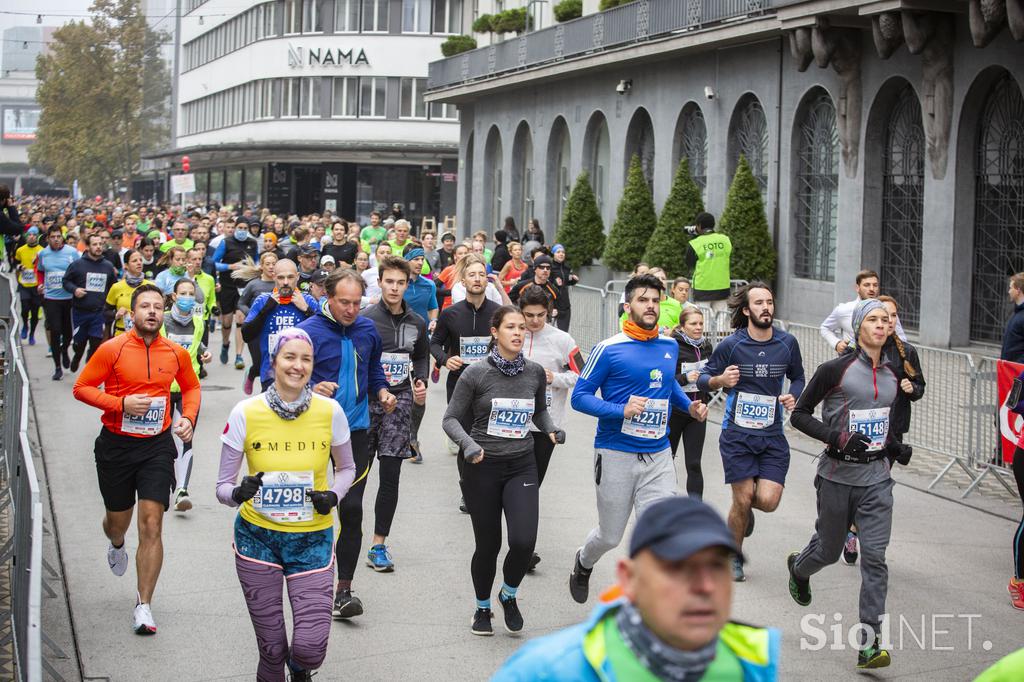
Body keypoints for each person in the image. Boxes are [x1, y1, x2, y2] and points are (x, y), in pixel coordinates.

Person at [494, 496, 779, 681]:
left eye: (717, 567)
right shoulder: (544, 671)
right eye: (679, 568)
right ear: (628, 579)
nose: (705, 587)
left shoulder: (751, 664)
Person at [217, 329, 356, 681]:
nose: (298, 366)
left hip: (312, 538)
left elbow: (347, 468)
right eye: (289, 357)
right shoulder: (246, 412)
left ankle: (300, 670)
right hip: (257, 539)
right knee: (272, 648)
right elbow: (221, 486)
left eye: (305, 359)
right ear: (273, 362)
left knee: (310, 648)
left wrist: (333, 496)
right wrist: (238, 493)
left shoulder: (331, 411)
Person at [568, 274, 708, 604]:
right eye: (643, 300)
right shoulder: (608, 349)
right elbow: (580, 397)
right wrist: (621, 410)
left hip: (658, 453)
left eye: (655, 301)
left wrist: (690, 407)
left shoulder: (669, 345)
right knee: (610, 535)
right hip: (616, 452)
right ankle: (583, 562)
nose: (650, 306)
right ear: (627, 305)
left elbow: (668, 385)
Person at [72, 283, 201, 635]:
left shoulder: (175, 353)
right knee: (119, 521)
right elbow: (81, 387)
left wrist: (187, 417)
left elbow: (190, 387)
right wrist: (120, 404)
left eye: (158, 306)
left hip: (156, 446)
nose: (152, 312)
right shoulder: (111, 349)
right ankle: (116, 544)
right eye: (145, 306)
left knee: (151, 522)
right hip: (115, 445)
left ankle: (143, 606)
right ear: (132, 313)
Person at [787, 299, 906, 670]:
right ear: (858, 327)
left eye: (886, 320)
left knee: (874, 558)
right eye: (873, 319)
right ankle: (799, 569)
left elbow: (882, 421)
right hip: (837, 477)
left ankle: (869, 645)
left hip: (876, 479)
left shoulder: (891, 372)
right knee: (828, 549)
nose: (881, 325)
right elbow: (799, 416)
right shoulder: (835, 369)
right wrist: (836, 438)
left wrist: (893, 446)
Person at [443, 305, 564, 636]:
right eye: (511, 327)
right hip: (482, 466)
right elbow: (450, 419)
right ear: (494, 332)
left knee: (524, 542)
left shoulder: (535, 372)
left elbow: (539, 411)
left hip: (522, 463)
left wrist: (551, 429)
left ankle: (508, 594)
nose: (518, 332)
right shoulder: (476, 373)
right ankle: (482, 608)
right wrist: (469, 446)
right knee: (488, 545)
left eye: (522, 328)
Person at [298, 270, 396, 620]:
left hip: (354, 431)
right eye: (344, 302)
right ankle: (306, 584)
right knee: (311, 509)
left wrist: (382, 392)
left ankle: (344, 590)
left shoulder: (368, 330)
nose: (352, 309)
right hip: (310, 432)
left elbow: (374, 373)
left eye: (357, 302)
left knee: (351, 508)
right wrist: (311, 388)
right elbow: (280, 377)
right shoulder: (308, 333)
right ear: (327, 296)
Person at [697, 282, 804, 582]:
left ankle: (741, 514)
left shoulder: (787, 343)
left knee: (767, 501)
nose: (766, 307)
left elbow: (798, 377)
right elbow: (703, 379)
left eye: (769, 302)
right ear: (746, 310)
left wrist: (794, 395)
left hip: (772, 437)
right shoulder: (731, 345)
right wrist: (720, 380)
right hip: (737, 435)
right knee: (743, 498)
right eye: (759, 303)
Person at [362, 256, 429, 569]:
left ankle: (378, 544)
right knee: (357, 477)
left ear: (407, 284)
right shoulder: (365, 319)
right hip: (366, 404)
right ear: (380, 282)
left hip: (399, 403)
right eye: (389, 281)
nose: (394, 287)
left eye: (400, 282)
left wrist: (420, 381)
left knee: (390, 475)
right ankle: (345, 535)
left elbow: (422, 356)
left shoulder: (416, 322)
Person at [430, 255, 502, 508]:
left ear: (486, 280)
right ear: (463, 280)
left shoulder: (497, 313)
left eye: (481, 274)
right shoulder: (450, 314)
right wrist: (444, 359)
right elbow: (435, 343)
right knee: (465, 438)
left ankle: (488, 488)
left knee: (490, 438)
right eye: (472, 274)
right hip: (460, 383)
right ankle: (468, 490)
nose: (477, 279)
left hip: (492, 385)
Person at [520, 286, 583, 571]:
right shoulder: (511, 332)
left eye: (540, 315)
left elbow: (582, 375)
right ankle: (520, 543)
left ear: (550, 313)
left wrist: (554, 377)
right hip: (510, 425)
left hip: (546, 425)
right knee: (516, 488)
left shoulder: (563, 339)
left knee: (531, 487)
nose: (534, 321)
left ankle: (524, 547)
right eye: (529, 315)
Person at [160, 278, 210, 513]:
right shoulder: (162, 321)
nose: (188, 297)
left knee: (185, 437)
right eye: (183, 293)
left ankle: (182, 490)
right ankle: (163, 482)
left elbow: (197, 344)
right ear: (173, 296)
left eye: (191, 294)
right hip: (162, 390)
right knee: (162, 438)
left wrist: (204, 353)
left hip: (188, 389)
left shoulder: (199, 322)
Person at [242, 259, 318, 392]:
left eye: (290, 277)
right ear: (274, 277)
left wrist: (307, 310)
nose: (286, 282)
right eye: (281, 277)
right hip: (271, 374)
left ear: (298, 277)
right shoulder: (263, 300)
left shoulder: (308, 301)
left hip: (301, 373)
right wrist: (266, 310)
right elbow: (246, 335)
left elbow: (323, 334)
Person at [669, 306, 714, 498]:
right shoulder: (673, 345)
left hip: (698, 412)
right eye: (693, 324)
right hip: (675, 411)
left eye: (701, 323)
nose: (698, 328)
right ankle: (665, 504)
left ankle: (696, 511)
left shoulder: (707, 346)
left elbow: (711, 375)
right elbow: (665, 380)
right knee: (666, 461)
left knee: (694, 463)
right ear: (682, 326)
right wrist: (685, 378)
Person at [400, 245, 438, 463]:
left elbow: (433, 308)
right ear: (407, 260)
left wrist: (434, 320)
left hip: (421, 345)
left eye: (422, 259)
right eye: (415, 259)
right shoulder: (400, 284)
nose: (419, 262)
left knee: (419, 392)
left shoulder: (429, 284)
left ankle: (413, 437)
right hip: (398, 344)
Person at [63, 232, 117, 371]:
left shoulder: (108, 266)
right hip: (80, 311)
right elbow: (66, 281)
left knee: (96, 342)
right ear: (87, 246)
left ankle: (89, 368)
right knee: (79, 343)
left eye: (100, 244)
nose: (98, 247)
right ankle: (77, 356)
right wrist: (75, 290)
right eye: (95, 244)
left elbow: (113, 287)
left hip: (98, 312)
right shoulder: (77, 264)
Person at [820, 269, 907, 353]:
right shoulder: (843, 310)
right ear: (857, 288)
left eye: (875, 285)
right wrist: (836, 343)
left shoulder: (886, 310)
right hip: (851, 363)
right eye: (867, 285)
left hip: (881, 363)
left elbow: (901, 337)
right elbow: (825, 328)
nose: (872, 289)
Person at [213, 220, 259, 369]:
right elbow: (212, 263)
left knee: (240, 319)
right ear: (235, 229)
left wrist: (255, 268)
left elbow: (257, 261)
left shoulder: (253, 243)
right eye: (240, 228)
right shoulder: (226, 243)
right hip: (228, 285)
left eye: (245, 228)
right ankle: (225, 344)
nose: (242, 230)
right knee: (227, 322)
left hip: (245, 287)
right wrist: (229, 266)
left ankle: (239, 356)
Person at [37, 225, 80, 379]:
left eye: (58, 236)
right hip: (51, 299)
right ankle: (57, 367)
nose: (56, 239)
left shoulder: (72, 252)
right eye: (53, 237)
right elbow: (40, 271)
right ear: (48, 238)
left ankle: (64, 350)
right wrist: (40, 284)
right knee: (55, 331)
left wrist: (77, 288)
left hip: (69, 298)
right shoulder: (43, 254)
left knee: (68, 332)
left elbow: (79, 271)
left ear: (62, 237)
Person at [237, 252, 280, 394]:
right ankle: (251, 373)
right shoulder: (253, 284)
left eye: (274, 263)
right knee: (259, 362)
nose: (271, 267)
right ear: (261, 266)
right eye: (267, 264)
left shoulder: (280, 283)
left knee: (273, 363)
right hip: (256, 328)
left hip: (274, 329)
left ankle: (268, 392)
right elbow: (241, 303)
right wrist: (252, 314)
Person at [684, 212, 732, 312]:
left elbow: (689, 263)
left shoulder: (695, 243)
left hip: (702, 289)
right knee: (721, 321)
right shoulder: (725, 240)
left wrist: (694, 236)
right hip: (722, 287)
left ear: (699, 226)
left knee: (703, 321)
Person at [14, 226, 43, 344]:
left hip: (36, 286)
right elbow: (16, 264)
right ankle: (25, 326)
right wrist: (20, 267)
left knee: (35, 313)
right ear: (26, 236)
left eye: (34, 235)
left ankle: (32, 334)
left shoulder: (42, 251)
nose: (31, 237)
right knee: (25, 308)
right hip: (24, 284)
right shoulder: (20, 250)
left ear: (37, 237)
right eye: (29, 234)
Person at [549, 244, 578, 332]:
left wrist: (573, 280)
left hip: (565, 306)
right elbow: (545, 284)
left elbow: (566, 283)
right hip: (553, 305)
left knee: (563, 333)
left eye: (563, 252)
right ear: (553, 254)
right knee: (550, 334)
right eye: (558, 252)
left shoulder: (567, 268)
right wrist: (554, 282)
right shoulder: (549, 267)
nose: (561, 254)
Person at [1003, 272, 1024, 363]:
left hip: (1018, 373)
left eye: (1011, 288)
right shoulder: (1017, 313)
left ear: (1018, 290)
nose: (1009, 291)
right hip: (1010, 371)